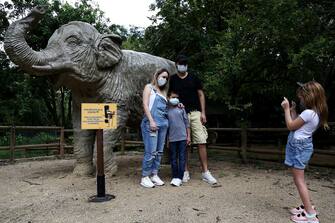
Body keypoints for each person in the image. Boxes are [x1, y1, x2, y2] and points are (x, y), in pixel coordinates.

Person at [281, 81, 328, 223]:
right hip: (302, 146)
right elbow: (296, 125)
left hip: (298, 148)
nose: (300, 100)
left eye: (301, 97)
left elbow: (290, 126)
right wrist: (293, 111)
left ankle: (310, 216)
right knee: (299, 179)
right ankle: (307, 205)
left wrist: (286, 109)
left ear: (309, 97)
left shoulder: (308, 113)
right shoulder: (315, 112)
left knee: (299, 180)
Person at [169, 54, 217, 185]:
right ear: (176, 64)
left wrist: (203, 112)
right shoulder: (173, 79)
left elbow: (201, 94)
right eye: (180, 63)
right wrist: (174, 101)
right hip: (180, 113)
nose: (182, 65)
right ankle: (185, 171)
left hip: (195, 112)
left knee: (201, 141)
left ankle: (206, 172)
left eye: (184, 63)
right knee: (184, 142)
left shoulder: (194, 77)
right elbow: (172, 95)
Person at [140, 68, 170, 188]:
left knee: (159, 152)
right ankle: (145, 176)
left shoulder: (164, 92)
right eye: (163, 76)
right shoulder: (149, 87)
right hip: (151, 123)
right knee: (151, 151)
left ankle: (154, 174)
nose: (164, 79)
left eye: (166, 78)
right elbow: (145, 105)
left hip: (163, 124)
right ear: (157, 76)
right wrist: (151, 121)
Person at [167, 92, 191, 187]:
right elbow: (167, 127)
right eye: (173, 97)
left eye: (177, 97)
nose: (175, 99)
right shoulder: (166, 110)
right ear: (168, 97)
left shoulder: (181, 108)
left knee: (182, 158)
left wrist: (188, 136)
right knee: (173, 158)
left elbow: (187, 123)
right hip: (172, 138)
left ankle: (180, 177)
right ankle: (174, 176)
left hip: (182, 137)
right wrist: (168, 140)